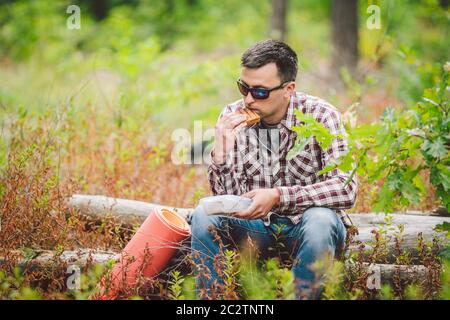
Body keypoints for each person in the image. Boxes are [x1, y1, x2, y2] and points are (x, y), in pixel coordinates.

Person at [190, 39, 357, 300]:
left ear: (288, 89)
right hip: (257, 229)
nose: (248, 99)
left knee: (321, 220)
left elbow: (345, 189)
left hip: (307, 228)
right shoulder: (233, 115)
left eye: (259, 92)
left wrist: (279, 196)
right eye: (243, 87)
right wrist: (220, 153)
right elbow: (228, 199)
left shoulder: (322, 116)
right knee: (203, 215)